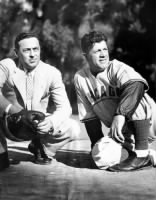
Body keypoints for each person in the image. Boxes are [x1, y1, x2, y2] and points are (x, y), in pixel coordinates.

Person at [74, 30, 156, 172]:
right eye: (97, 51)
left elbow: (137, 86)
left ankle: (142, 154)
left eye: (105, 49)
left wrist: (120, 114)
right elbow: (89, 118)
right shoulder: (80, 78)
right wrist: (97, 148)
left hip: (150, 123)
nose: (103, 54)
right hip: (123, 134)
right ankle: (144, 155)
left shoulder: (117, 67)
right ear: (86, 56)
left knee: (132, 90)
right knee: (101, 156)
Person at [0, 32, 79, 171]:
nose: (32, 54)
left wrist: (51, 122)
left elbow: (65, 108)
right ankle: (1, 152)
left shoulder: (52, 73)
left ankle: (40, 147)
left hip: (36, 126)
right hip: (8, 123)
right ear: (16, 52)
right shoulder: (7, 66)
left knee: (73, 128)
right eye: (26, 50)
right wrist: (18, 112)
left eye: (35, 49)